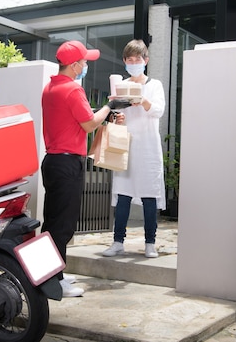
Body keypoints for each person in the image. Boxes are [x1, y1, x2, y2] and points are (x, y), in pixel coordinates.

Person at [41, 40, 130, 297]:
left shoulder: (51, 88)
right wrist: (109, 107)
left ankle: (54, 275)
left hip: (54, 162)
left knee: (54, 223)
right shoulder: (72, 90)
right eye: (85, 62)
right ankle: (53, 282)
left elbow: (75, 118)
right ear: (74, 64)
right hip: (68, 163)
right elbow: (89, 124)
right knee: (63, 226)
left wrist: (105, 112)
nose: (86, 65)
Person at [102, 39, 166, 259]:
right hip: (126, 145)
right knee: (123, 195)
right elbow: (117, 117)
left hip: (148, 148)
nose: (133, 62)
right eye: (129, 59)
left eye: (137, 59)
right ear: (124, 61)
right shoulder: (121, 85)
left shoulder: (154, 85)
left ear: (145, 60)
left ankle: (150, 243)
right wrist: (117, 117)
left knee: (149, 195)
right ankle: (118, 241)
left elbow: (158, 111)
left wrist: (142, 101)